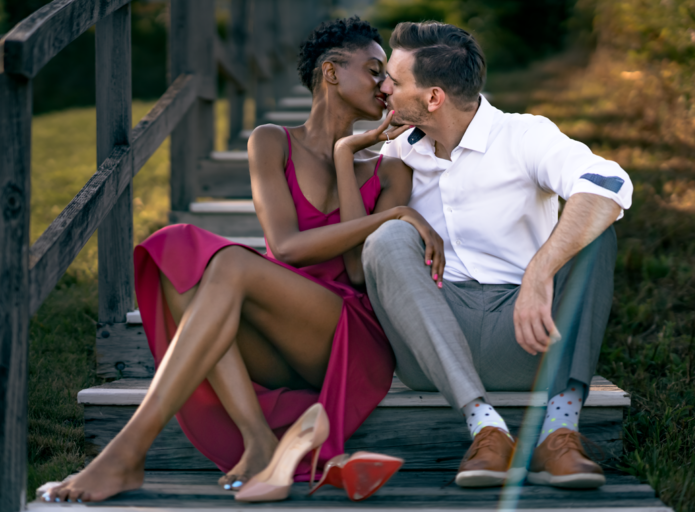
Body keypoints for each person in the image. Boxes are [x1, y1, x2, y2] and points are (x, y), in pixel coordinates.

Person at [43, 17, 442, 504]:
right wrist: (381, 200)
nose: (386, 86)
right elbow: (288, 246)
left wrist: (345, 157)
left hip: (346, 336)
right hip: (273, 336)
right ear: (332, 73)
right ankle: (255, 439)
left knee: (229, 267)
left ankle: (127, 451)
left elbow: (358, 271)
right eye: (375, 70)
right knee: (175, 245)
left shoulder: (391, 169)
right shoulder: (270, 141)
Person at [363, 21, 633, 489]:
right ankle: (486, 428)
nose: (383, 87)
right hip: (433, 343)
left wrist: (539, 271)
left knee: (597, 233)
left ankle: (560, 432)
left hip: (528, 335)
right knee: (386, 238)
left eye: (395, 79)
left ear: (433, 98)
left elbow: (609, 185)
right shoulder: (399, 153)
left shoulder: (524, 135)